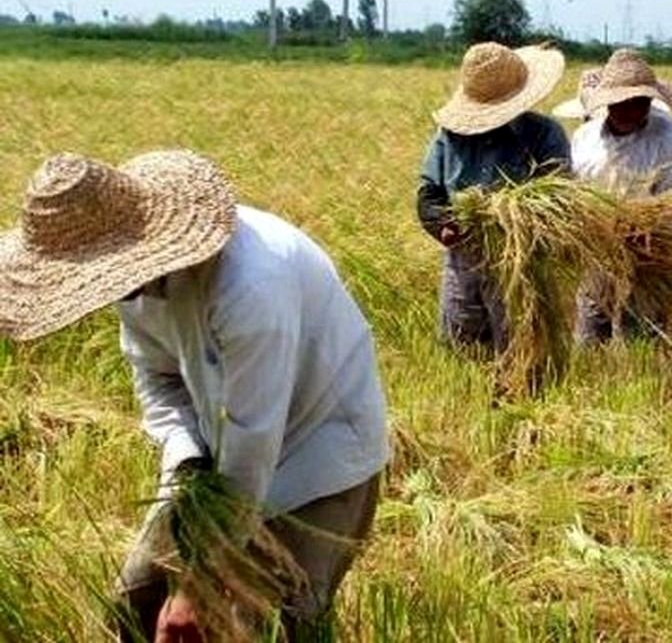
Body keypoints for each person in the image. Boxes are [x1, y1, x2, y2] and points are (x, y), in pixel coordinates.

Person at [0, 150, 390, 641]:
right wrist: (188, 465)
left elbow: (251, 445)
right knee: (135, 604)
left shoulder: (251, 285)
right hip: (215, 460)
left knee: (266, 625)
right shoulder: (133, 287)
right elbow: (158, 380)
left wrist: (198, 585)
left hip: (316, 457)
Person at [417, 41, 570, 352]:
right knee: (462, 348)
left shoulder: (544, 135)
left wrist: (511, 221)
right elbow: (429, 193)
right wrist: (442, 225)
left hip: (522, 264)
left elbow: (558, 196)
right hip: (464, 259)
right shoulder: (449, 136)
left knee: (521, 351)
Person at [569, 49, 672, 343]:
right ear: (607, 102)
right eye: (622, 102)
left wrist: (646, 230)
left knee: (640, 335)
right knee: (590, 331)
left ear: (651, 101)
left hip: (651, 255)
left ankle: (641, 368)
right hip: (599, 250)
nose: (631, 109)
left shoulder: (671, 141)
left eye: (640, 102)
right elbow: (576, 190)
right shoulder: (585, 139)